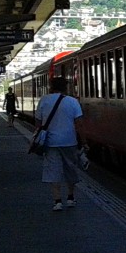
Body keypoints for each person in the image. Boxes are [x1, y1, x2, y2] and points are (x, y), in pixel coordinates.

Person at [35, 76, 84, 211]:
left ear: (51, 87)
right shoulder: (73, 102)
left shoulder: (44, 100)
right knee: (70, 169)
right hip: (69, 141)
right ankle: (70, 197)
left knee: (53, 170)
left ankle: (57, 201)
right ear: (65, 87)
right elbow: (79, 124)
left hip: (50, 142)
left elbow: (38, 123)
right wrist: (83, 142)